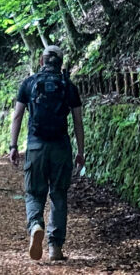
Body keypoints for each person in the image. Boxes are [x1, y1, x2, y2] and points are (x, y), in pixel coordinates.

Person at [8, 44, 85, 262]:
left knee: (33, 193)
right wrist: (80, 151)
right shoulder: (68, 86)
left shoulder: (29, 84)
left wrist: (13, 146)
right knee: (59, 195)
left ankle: (35, 226)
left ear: (41, 61)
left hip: (35, 147)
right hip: (61, 148)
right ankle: (55, 248)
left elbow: (17, 116)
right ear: (60, 64)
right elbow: (78, 122)